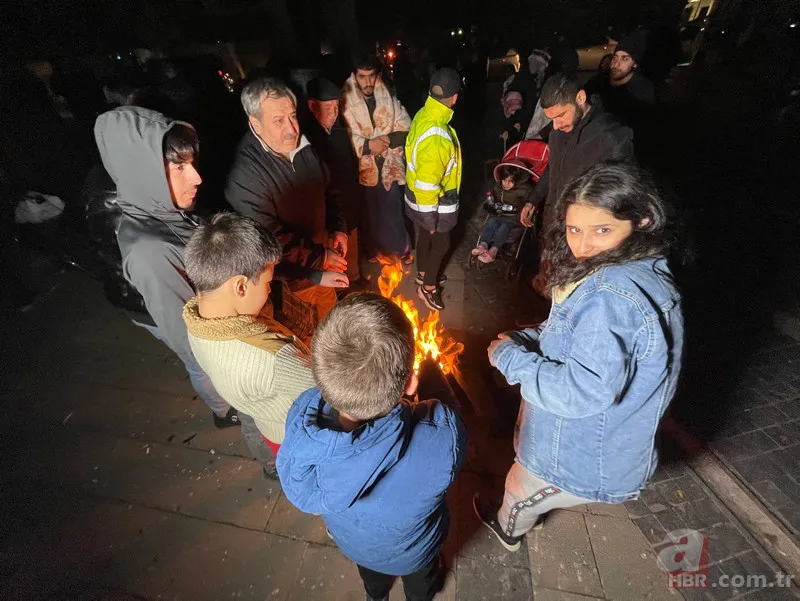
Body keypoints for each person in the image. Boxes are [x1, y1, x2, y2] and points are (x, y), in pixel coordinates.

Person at [476, 162, 683, 551]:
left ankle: (509, 530)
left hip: (580, 451)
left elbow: (580, 393)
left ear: (641, 220)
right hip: (603, 440)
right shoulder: (641, 269)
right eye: (574, 229)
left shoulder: (612, 296)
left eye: (602, 230)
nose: (583, 245)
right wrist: (529, 337)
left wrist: (508, 357)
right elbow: (580, 337)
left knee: (520, 489)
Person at [277, 293, 467, 601]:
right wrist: (434, 376)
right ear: (410, 384)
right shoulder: (440, 437)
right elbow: (449, 418)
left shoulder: (302, 422)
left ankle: (375, 596)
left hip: (355, 544)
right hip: (413, 550)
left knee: (372, 575)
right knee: (421, 582)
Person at [94, 106, 238, 427]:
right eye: (178, 167)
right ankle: (223, 411)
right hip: (171, 318)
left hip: (182, 300)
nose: (197, 178)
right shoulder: (150, 251)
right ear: (143, 171)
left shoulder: (165, 205)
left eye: (191, 163)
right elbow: (188, 337)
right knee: (198, 364)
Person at [182, 213, 315, 478]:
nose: (269, 290)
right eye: (267, 282)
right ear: (240, 286)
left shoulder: (197, 318)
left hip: (264, 419)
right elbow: (328, 392)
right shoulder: (272, 357)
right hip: (295, 431)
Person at [225, 77, 349, 343]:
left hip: (321, 260)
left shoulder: (304, 143)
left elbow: (328, 186)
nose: (291, 128)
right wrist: (317, 264)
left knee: (329, 322)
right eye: (278, 120)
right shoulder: (245, 176)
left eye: (292, 116)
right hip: (289, 279)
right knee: (306, 338)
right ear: (255, 122)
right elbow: (269, 241)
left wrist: (339, 227)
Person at [520, 72, 634, 243]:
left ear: (580, 98)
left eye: (560, 115)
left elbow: (617, 196)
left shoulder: (611, 137)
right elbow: (553, 168)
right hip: (552, 228)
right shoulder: (557, 135)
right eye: (551, 119)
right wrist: (534, 200)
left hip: (582, 236)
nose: (556, 125)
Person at [341, 54, 412, 259]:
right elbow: (344, 135)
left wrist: (388, 139)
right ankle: (376, 252)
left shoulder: (386, 94)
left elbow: (405, 125)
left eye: (371, 76)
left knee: (392, 211)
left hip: (388, 164)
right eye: (362, 77)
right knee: (371, 214)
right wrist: (366, 145)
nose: (368, 82)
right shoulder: (345, 99)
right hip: (362, 168)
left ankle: (400, 251)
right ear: (355, 76)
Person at [405, 68, 463, 311]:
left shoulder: (424, 113)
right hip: (434, 203)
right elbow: (429, 184)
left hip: (414, 197)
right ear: (454, 98)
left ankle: (422, 274)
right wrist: (431, 219)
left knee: (425, 240)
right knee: (440, 244)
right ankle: (427, 288)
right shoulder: (438, 135)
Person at [304, 76, 364, 284]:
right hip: (328, 214)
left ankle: (354, 281)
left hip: (348, 206)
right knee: (335, 258)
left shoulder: (338, 129)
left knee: (351, 253)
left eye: (336, 105)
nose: (334, 111)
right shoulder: (308, 138)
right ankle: (342, 290)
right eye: (328, 106)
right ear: (312, 106)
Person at [584, 32, 655, 132]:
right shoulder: (599, 81)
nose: (616, 64)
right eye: (615, 58)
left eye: (625, 59)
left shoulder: (641, 91)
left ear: (635, 63)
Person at [472, 164, 533, 263]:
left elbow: (528, 204)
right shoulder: (498, 186)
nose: (506, 184)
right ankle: (483, 245)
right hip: (499, 214)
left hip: (514, 218)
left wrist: (520, 209)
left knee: (504, 227)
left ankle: (493, 251)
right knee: (491, 223)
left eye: (510, 181)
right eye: (504, 180)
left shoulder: (524, 190)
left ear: (516, 181)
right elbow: (494, 199)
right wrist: (491, 201)